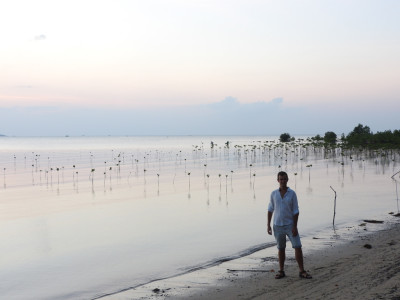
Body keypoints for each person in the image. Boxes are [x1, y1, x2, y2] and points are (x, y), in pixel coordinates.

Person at [267, 171, 312, 279]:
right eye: (281, 179)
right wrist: (268, 225)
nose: (282, 181)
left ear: (287, 180)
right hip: (277, 226)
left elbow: (296, 211)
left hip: (290, 225)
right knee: (281, 248)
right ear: (278, 180)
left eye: (284, 179)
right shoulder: (274, 194)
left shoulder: (292, 194)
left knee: (297, 246)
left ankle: (302, 271)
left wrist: (294, 226)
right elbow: (270, 209)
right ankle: (281, 271)